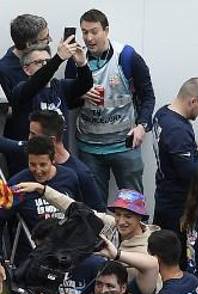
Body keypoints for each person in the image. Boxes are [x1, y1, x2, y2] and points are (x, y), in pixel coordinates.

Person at [66, 8, 155, 193]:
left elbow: (148, 95)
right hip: (89, 146)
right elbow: (67, 100)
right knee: (94, 208)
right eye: (84, 32)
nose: (89, 38)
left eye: (94, 31)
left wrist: (142, 126)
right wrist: (81, 94)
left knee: (133, 205)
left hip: (125, 144)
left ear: (106, 30)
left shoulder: (127, 57)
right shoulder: (75, 60)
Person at [152, 77, 198, 231]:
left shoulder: (162, 113)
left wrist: (196, 147)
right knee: (174, 250)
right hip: (177, 204)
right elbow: (190, 174)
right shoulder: (177, 130)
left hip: (164, 192)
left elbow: (169, 149)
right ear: (193, 101)